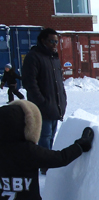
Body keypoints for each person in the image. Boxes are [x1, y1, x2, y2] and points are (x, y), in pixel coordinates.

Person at [22, 28, 66, 175]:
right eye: (51, 41)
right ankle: (45, 166)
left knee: (51, 137)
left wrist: (63, 101)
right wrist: (41, 102)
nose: (55, 44)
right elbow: (30, 83)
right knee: (44, 138)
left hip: (55, 107)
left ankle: (48, 164)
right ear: (43, 41)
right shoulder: (33, 57)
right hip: (42, 108)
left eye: (56, 41)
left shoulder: (54, 58)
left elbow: (59, 83)